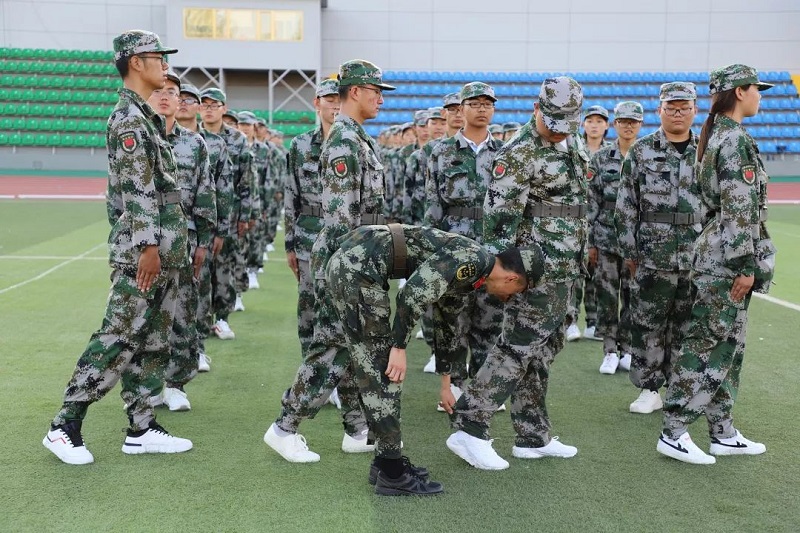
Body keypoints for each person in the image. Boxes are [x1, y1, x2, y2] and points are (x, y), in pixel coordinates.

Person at [42, 30, 192, 464]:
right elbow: (137, 189)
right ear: (136, 63)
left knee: (153, 339)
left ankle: (141, 427)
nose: (164, 64)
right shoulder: (128, 119)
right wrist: (147, 245)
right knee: (118, 335)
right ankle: (64, 425)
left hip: (164, 248)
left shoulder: (145, 116)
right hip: (145, 251)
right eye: (157, 57)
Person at [325, 224, 543, 494]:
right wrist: (398, 347)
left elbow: (447, 321)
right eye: (516, 292)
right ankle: (392, 473)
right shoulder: (474, 261)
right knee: (385, 371)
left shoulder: (476, 272)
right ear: (512, 279)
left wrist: (446, 385)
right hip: (357, 268)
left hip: (356, 264)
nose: (509, 298)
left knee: (383, 370)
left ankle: (383, 464)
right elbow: (411, 294)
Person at [446, 77, 588, 470]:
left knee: (543, 350)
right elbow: (498, 223)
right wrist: (503, 278)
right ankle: (469, 426)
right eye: (553, 122)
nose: (559, 131)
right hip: (533, 271)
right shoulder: (519, 153)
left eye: (567, 123)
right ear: (536, 108)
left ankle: (532, 435)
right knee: (516, 347)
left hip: (566, 266)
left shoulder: (571, 141)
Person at [263, 59, 395, 463]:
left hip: (361, 258)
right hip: (348, 261)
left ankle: (358, 429)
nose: (381, 100)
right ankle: (285, 428)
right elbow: (340, 220)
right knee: (332, 348)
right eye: (375, 92)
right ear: (354, 92)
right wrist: (350, 272)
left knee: (358, 349)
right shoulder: (343, 141)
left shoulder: (357, 137)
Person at [657, 64, 776, 465]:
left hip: (718, 252)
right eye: (755, 89)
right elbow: (739, 208)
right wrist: (745, 264)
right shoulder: (733, 139)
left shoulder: (718, 135)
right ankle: (674, 431)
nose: (759, 96)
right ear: (740, 92)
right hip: (727, 259)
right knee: (707, 345)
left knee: (729, 346)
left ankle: (722, 431)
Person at [616, 83, 706, 412]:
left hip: (697, 254)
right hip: (652, 254)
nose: (677, 113)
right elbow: (626, 205)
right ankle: (649, 389)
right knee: (648, 323)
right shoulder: (641, 151)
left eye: (684, 107)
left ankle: (680, 388)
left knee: (688, 325)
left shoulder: (707, 150)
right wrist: (629, 252)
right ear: (660, 111)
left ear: (695, 110)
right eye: (671, 107)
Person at [425, 82, 504, 405]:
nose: (482, 109)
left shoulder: (505, 153)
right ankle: (455, 385)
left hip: (493, 249)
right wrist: (432, 251)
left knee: (490, 321)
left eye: (488, 104)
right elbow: (433, 205)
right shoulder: (442, 152)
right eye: (475, 103)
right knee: (453, 319)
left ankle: (484, 389)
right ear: (461, 109)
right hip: (455, 248)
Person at [147, 70, 216, 411]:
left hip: (183, 240)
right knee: (145, 315)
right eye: (159, 90)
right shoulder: (139, 138)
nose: (165, 96)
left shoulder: (194, 144)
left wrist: (203, 241)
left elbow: (205, 193)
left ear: (179, 101)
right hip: (144, 239)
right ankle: (146, 386)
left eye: (172, 91)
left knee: (182, 312)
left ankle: (176, 384)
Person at [177, 83, 233, 368]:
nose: (183, 103)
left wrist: (219, 230)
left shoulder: (213, 144)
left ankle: (197, 348)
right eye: (180, 98)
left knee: (199, 289)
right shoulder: (160, 138)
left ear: (198, 107)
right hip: (168, 230)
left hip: (200, 229)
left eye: (190, 99)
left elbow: (223, 189)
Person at [284, 78, 341, 359]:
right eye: (330, 100)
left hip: (345, 238)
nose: (336, 106)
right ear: (317, 103)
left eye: (340, 100)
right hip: (308, 237)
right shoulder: (301, 145)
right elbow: (291, 196)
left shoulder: (357, 144)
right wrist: (289, 245)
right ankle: (311, 365)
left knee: (341, 305)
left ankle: (338, 369)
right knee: (308, 305)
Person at [589, 101, 643, 375]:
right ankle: (610, 349)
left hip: (637, 240)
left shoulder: (647, 156)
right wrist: (590, 242)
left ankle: (629, 348)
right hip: (606, 239)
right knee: (607, 296)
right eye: (623, 121)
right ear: (616, 124)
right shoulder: (600, 158)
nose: (628, 126)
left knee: (634, 295)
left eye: (633, 122)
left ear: (640, 124)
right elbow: (592, 201)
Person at [200, 87, 253, 326]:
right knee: (199, 268)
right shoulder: (192, 136)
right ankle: (200, 319)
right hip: (200, 213)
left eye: (214, 105)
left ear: (224, 109)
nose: (209, 110)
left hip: (229, 213)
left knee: (223, 265)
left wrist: (245, 215)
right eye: (205, 105)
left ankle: (222, 317)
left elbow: (246, 180)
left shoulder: (237, 139)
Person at [566, 105, 610, 342]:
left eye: (599, 121)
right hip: (575, 217)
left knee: (597, 273)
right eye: (590, 121)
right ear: (583, 124)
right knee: (575, 272)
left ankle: (593, 322)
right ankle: (571, 321)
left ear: (606, 125)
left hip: (602, 222)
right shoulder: (573, 149)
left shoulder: (611, 152)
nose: (594, 125)